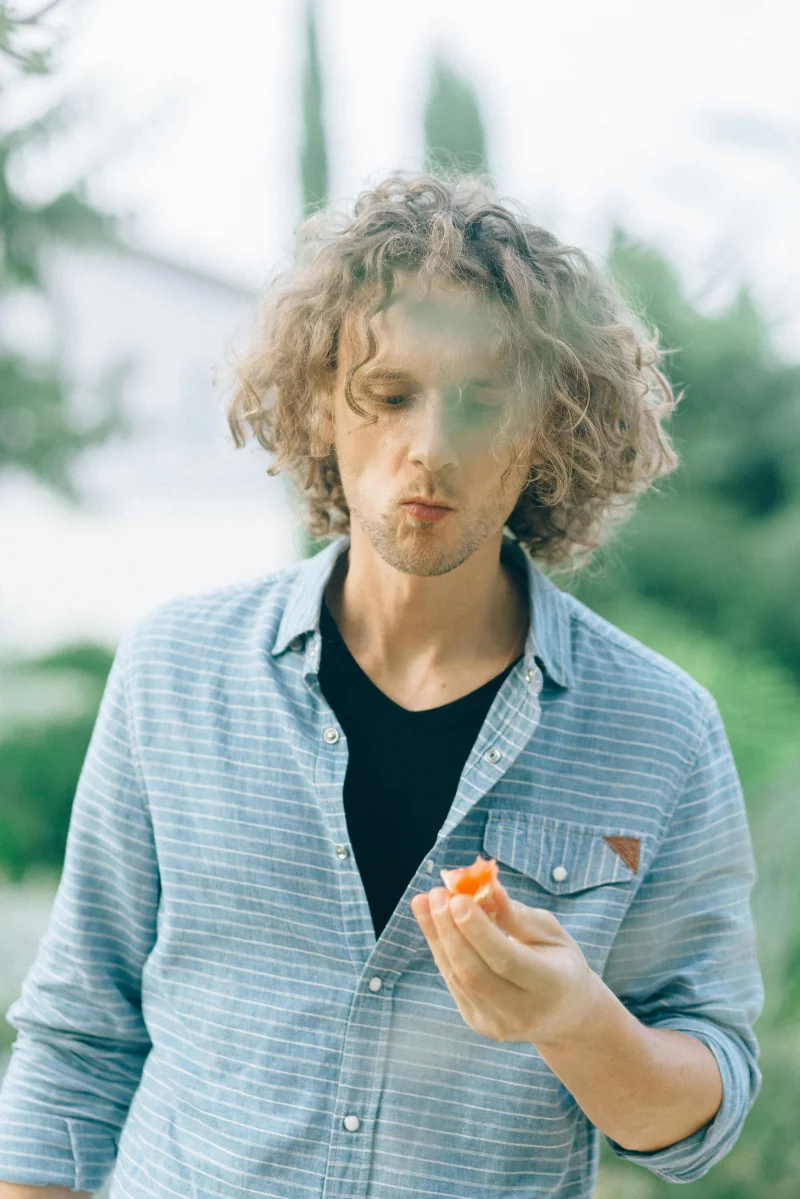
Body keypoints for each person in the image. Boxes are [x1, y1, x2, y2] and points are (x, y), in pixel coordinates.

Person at [0, 171, 763, 1199]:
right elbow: (78, 1039)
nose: (429, 449)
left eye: (483, 399)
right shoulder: (173, 670)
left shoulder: (658, 728)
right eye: (389, 394)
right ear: (321, 405)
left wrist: (574, 1019)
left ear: (549, 428)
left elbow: (694, 1121)